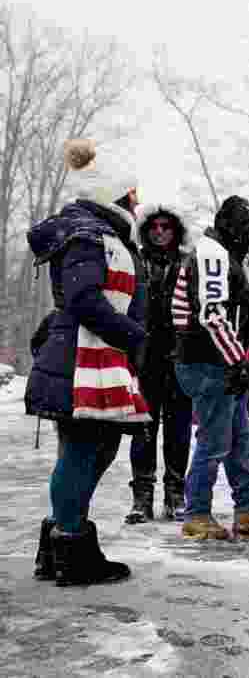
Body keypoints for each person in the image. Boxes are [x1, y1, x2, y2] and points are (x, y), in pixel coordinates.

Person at [25, 138, 148, 586]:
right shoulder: (88, 232)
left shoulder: (104, 232)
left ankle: (58, 544)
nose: (138, 201)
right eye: (132, 193)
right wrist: (135, 336)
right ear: (113, 194)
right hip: (83, 358)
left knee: (95, 448)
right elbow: (83, 298)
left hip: (98, 356)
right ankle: (71, 548)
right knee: (83, 449)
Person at [171, 195, 249, 540]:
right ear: (237, 230)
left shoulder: (219, 253)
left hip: (216, 361)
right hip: (208, 362)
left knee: (239, 438)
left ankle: (248, 508)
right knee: (214, 440)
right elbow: (212, 314)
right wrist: (237, 360)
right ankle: (196, 512)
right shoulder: (212, 255)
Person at [125, 204, 194, 524]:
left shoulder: (187, 262)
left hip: (179, 357)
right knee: (144, 429)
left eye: (167, 226)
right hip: (144, 357)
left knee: (179, 430)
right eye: (155, 226)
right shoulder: (135, 261)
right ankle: (142, 497)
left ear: (175, 230)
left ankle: (175, 494)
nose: (160, 231)